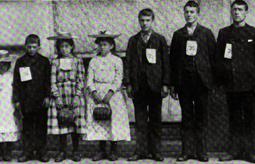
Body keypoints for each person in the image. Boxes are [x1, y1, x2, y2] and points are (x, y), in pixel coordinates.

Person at [214, 0, 255, 163]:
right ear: (231, 12)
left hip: (251, 84)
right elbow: (218, 59)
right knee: (234, 118)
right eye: (234, 9)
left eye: (240, 10)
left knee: (251, 118)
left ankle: (250, 152)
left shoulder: (254, 33)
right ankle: (234, 151)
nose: (237, 12)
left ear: (246, 12)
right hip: (231, 83)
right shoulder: (224, 33)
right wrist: (220, 81)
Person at [169, 1, 216, 162]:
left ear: (198, 14)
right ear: (184, 13)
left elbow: (213, 58)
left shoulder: (206, 33)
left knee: (201, 118)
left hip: (202, 82)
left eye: (193, 12)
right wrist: (174, 85)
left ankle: (201, 152)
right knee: (187, 117)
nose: (189, 14)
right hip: (184, 83)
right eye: (187, 12)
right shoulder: (178, 34)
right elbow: (173, 61)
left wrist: (212, 82)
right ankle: (186, 151)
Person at [126, 8, 170, 162]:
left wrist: (165, 84)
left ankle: (156, 151)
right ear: (139, 21)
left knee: (156, 120)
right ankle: (141, 151)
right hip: (139, 86)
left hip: (155, 86)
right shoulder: (133, 40)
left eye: (147, 20)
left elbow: (166, 63)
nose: (144, 23)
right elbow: (129, 63)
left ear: (152, 21)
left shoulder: (160, 40)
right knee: (140, 121)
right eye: (142, 20)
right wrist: (128, 84)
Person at [86, 30, 131, 161]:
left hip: (112, 94)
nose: (102, 47)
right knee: (99, 120)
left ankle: (113, 150)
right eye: (100, 44)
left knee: (113, 121)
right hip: (97, 92)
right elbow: (89, 78)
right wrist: (93, 92)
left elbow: (118, 78)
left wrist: (110, 92)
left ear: (111, 46)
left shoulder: (117, 60)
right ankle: (101, 150)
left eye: (105, 44)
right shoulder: (93, 61)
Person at [47, 32, 87, 162]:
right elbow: (52, 80)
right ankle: (62, 151)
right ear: (58, 48)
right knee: (62, 123)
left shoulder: (77, 61)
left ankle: (76, 150)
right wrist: (56, 96)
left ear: (71, 47)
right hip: (60, 94)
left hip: (74, 94)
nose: (64, 49)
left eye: (67, 46)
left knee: (75, 124)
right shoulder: (55, 61)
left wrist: (77, 96)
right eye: (62, 47)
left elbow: (81, 79)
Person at [14, 34, 51, 162]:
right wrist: (17, 99)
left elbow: (48, 80)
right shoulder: (20, 61)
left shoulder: (44, 61)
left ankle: (42, 152)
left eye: (34, 47)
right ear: (25, 47)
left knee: (41, 127)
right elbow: (17, 81)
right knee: (28, 127)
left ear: (39, 47)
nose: (31, 49)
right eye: (29, 47)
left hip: (40, 99)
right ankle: (27, 152)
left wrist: (47, 96)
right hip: (26, 99)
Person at [0, 50, 20, 161]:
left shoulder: (12, 77)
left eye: (4, 64)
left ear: (8, 65)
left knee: (9, 127)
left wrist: (16, 103)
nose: (2, 67)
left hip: (8, 105)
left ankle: (8, 151)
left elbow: (16, 91)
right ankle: (0, 151)